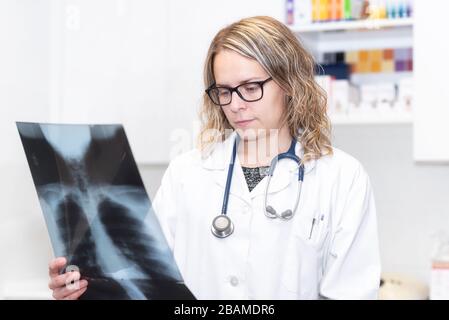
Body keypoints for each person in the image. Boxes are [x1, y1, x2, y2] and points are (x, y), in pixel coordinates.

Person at [48, 15, 380, 300]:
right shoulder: (186, 173)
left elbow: (351, 291)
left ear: (289, 83)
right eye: (224, 91)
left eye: (251, 87)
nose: (235, 104)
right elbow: (143, 282)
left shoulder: (341, 177)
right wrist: (87, 286)